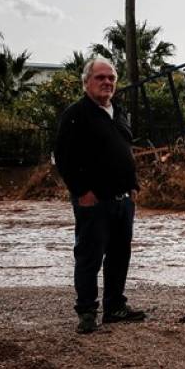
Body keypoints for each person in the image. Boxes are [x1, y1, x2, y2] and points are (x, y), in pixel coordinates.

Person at [53, 58, 146, 334]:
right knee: (89, 256)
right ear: (86, 83)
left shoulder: (119, 112)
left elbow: (125, 152)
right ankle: (87, 312)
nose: (107, 82)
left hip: (122, 200)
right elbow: (64, 158)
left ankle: (115, 307)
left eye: (111, 78)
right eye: (100, 78)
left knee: (119, 255)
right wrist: (82, 192)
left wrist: (133, 186)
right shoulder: (75, 114)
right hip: (93, 201)